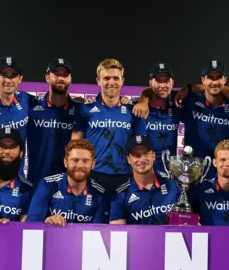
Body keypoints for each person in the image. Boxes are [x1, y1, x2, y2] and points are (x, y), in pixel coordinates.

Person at [0, 58, 84, 186]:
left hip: (67, 183)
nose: (61, 78)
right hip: (35, 183)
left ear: (70, 79)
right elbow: (6, 95)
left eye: (65, 75)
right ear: (47, 77)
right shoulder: (32, 104)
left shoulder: (80, 109)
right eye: (56, 73)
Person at [134, 60, 229, 177]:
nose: (214, 82)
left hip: (221, 172)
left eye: (218, 78)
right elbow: (155, 90)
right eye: (210, 78)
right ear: (203, 80)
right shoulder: (190, 101)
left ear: (225, 80)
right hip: (191, 172)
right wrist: (143, 99)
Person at [72, 59, 145, 193]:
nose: (111, 82)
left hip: (125, 177)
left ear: (122, 80)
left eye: (115, 78)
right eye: (106, 78)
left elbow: (141, 148)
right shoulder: (85, 109)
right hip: (92, 176)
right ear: (98, 80)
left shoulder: (133, 110)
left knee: (120, 215)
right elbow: (75, 144)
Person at [25, 139, 110, 226]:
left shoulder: (100, 193)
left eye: (85, 161)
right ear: (65, 162)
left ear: (93, 164)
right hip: (52, 238)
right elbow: (31, 224)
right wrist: (47, 222)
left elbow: (99, 231)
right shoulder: (48, 184)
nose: (80, 166)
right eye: (75, 160)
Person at [109, 135, 180, 225]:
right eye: (136, 155)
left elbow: (186, 221)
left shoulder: (172, 184)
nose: (142, 159)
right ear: (128, 159)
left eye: (146, 153)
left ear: (153, 156)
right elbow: (116, 233)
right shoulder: (121, 194)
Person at [134, 63, 182, 173]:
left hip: (170, 171)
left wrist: (187, 88)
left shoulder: (178, 105)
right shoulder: (137, 108)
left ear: (172, 83)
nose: (162, 85)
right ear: (151, 83)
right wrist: (143, 100)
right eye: (158, 81)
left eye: (166, 81)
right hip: (144, 170)